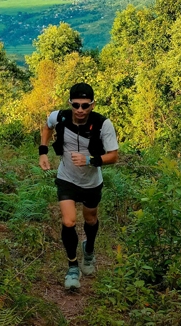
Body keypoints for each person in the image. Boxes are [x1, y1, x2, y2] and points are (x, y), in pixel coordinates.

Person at [38, 82, 119, 290]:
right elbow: (46, 127)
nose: (80, 110)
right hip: (67, 177)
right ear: (70, 104)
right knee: (69, 221)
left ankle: (89, 250)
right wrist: (43, 152)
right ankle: (72, 267)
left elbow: (113, 156)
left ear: (92, 105)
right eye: (76, 105)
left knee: (90, 219)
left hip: (92, 181)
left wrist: (90, 160)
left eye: (85, 105)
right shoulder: (60, 117)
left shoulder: (103, 124)